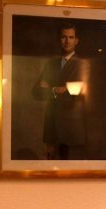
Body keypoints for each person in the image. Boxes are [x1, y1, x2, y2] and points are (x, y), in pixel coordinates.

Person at [31, 22, 90, 160]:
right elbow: (36, 92)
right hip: (51, 129)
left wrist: (50, 88)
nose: (67, 41)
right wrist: (58, 89)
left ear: (76, 40)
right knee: (51, 168)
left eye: (71, 37)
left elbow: (77, 91)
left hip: (71, 131)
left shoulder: (82, 64)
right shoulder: (51, 64)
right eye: (64, 37)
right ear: (59, 39)